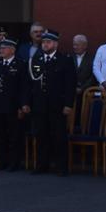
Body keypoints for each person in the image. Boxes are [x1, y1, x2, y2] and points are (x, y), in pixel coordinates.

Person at [26, 30, 76, 176]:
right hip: (40, 105)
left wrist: (68, 104)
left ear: (55, 43)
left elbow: (70, 84)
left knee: (58, 137)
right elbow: (30, 84)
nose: (45, 45)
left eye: (48, 42)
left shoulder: (64, 60)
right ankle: (42, 165)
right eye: (43, 42)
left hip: (57, 105)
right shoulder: (36, 60)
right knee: (41, 136)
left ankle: (61, 167)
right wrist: (28, 102)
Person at [0, 38, 25, 170]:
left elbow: (22, 87)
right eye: (1, 48)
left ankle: (14, 162)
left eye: (4, 48)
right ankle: (2, 161)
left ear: (12, 50)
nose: (1, 50)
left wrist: (21, 106)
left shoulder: (20, 64)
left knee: (14, 136)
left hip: (12, 105)